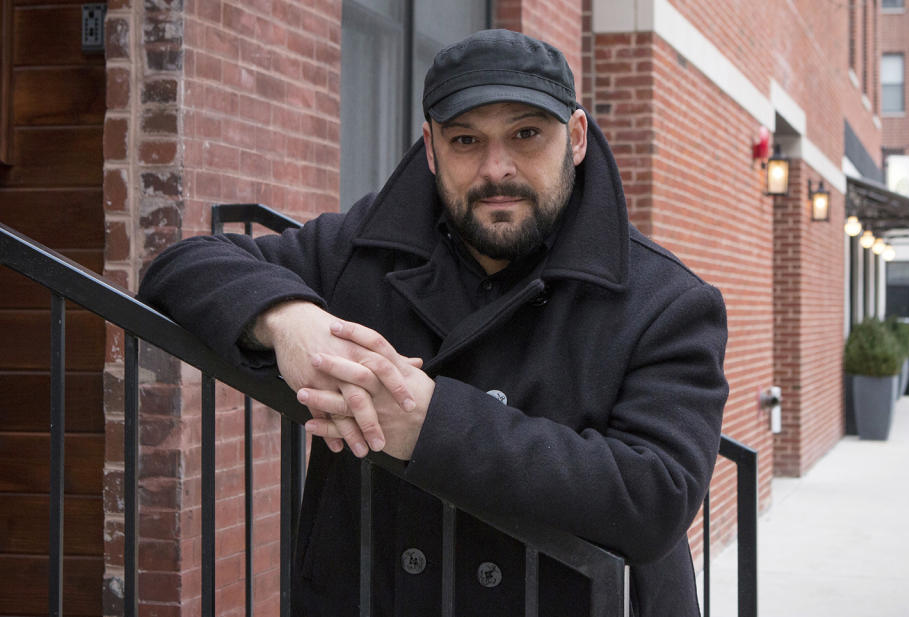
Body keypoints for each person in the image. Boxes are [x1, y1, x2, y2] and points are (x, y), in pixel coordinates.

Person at [139, 29, 728, 617]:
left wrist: (431, 427)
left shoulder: (666, 300)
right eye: (466, 140)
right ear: (430, 148)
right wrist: (290, 322)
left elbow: (656, 496)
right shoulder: (366, 248)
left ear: (574, 138)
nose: (497, 169)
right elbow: (180, 266)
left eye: (526, 134)